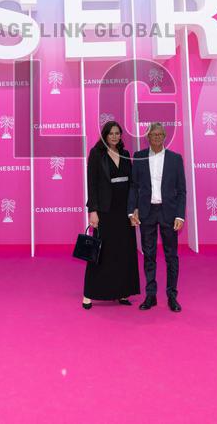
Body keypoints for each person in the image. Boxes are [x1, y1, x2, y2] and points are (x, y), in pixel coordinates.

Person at [82, 120, 140, 309]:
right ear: (105, 135)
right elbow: (92, 183)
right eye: (111, 133)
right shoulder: (96, 154)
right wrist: (93, 210)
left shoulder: (125, 154)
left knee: (124, 251)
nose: (115, 136)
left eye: (117, 133)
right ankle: (89, 294)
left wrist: (133, 209)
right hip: (105, 211)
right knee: (101, 252)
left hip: (124, 211)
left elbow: (132, 183)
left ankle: (122, 292)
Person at [128, 122, 185, 312]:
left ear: (165, 136)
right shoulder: (139, 157)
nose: (157, 138)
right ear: (148, 137)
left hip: (168, 212)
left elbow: (182, 191)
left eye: (160, 134)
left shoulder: (175, 159)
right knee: (149, 255)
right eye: (154, 135)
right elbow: (134, 186)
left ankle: (172, 296)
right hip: (147, 212)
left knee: (171, 256)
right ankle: (151, 295)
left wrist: (180, 215)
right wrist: (132, 210)